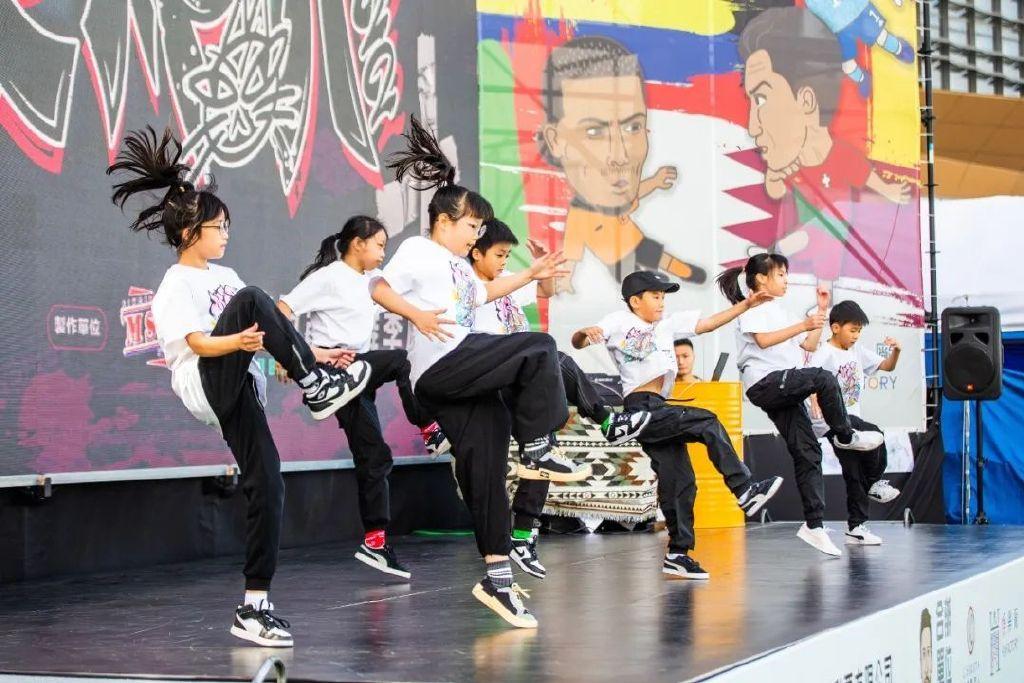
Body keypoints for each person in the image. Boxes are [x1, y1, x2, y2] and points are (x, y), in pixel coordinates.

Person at [108, 126, 371, 647]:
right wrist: (243, 342)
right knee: (254, 298)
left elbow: (263, 337)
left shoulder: (224, 275)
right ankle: (316, 386)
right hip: (207, 379)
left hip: (241, 387)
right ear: (190, 233)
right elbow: (199, 344)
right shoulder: (176, 283)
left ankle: (254, 605)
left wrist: (313, 352)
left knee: (269, 482)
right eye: (218, 227)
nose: (226, 234)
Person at [370, 115, 588, 628]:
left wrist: (530, 274)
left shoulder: (458, 269)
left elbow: (484, 293)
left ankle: (497, 579)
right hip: (442, 366)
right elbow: (377, 286)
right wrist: (416, 315)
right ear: (445, 222)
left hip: (464, 382)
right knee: (538, 347)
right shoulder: (420, 250)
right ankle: (538, 448)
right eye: (472, 226)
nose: (476, 236)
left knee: (485, 474)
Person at [467, 218, 652, 579]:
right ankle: (607, 420)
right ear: (476, 253)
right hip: (496, 379)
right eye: (499, 255)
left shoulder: (509, 281)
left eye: (508, 256)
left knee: (545, 453)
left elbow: (545, 291)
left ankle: (523, 536)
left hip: (525, 379)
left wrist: (543, 270)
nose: (505, 262)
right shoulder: (470, 287)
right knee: (554, 356)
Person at [572, 270, 785, 579]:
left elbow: (708, 324)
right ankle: (744, 488)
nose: (661, 302)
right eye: (655, 296)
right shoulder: (619, 321)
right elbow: (578, 342)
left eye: (663, 297)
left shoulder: (667, 325)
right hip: (639, 407)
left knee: (679, 482)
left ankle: (677, 554)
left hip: (659, 407)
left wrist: (746, 305)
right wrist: (585, 332)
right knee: (707, 421)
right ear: (635, 301)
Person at [276, 215, 452, 581]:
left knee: (375, 456)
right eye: (379, 245)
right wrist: (291, 356)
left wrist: (419, 315)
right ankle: (429, 430)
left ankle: (375, 541)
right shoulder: (328, 277)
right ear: (358, 243)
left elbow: (389, 297)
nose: (384, 252)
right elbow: (281, 312)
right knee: (400, 363)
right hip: (336, 372)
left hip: (358, 371)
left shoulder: (370, 279)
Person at [717, 253, 884, 557]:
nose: (786, 280)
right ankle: (846, 435)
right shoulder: (753, 306)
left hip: (783, 388)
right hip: (767, 382)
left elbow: (808, 344)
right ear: (761, 279)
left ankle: (814, 525)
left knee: (808, 452)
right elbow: (763, 340)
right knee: (824, 378)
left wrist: (820, 313)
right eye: (781, 274)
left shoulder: (780, 311)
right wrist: (803, 324)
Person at [538, 35, 705, 291]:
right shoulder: (579, 215)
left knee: (659, 257)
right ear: (555, 140)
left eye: (633, 127)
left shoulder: (621, 194)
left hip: (634, 239)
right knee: (633, 280)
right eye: (594, 131)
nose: (619, 155)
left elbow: (638, 193)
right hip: (616, 258)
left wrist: (656, 181)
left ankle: (684, 272)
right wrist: (566, 278)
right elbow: (572, 251)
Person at [808, 300, 901, 546]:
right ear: (835, 327)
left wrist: (897, 351)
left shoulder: (857, 351)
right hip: (832, 421)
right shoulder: (825, 353)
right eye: (852, 330)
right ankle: (874, 483)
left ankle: (856, 527)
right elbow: (808, 378)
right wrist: (814, 398)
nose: (856, 336)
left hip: (851, 418)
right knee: (876, 433)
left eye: (859, 331)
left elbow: (887, 366)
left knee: (854, 471)